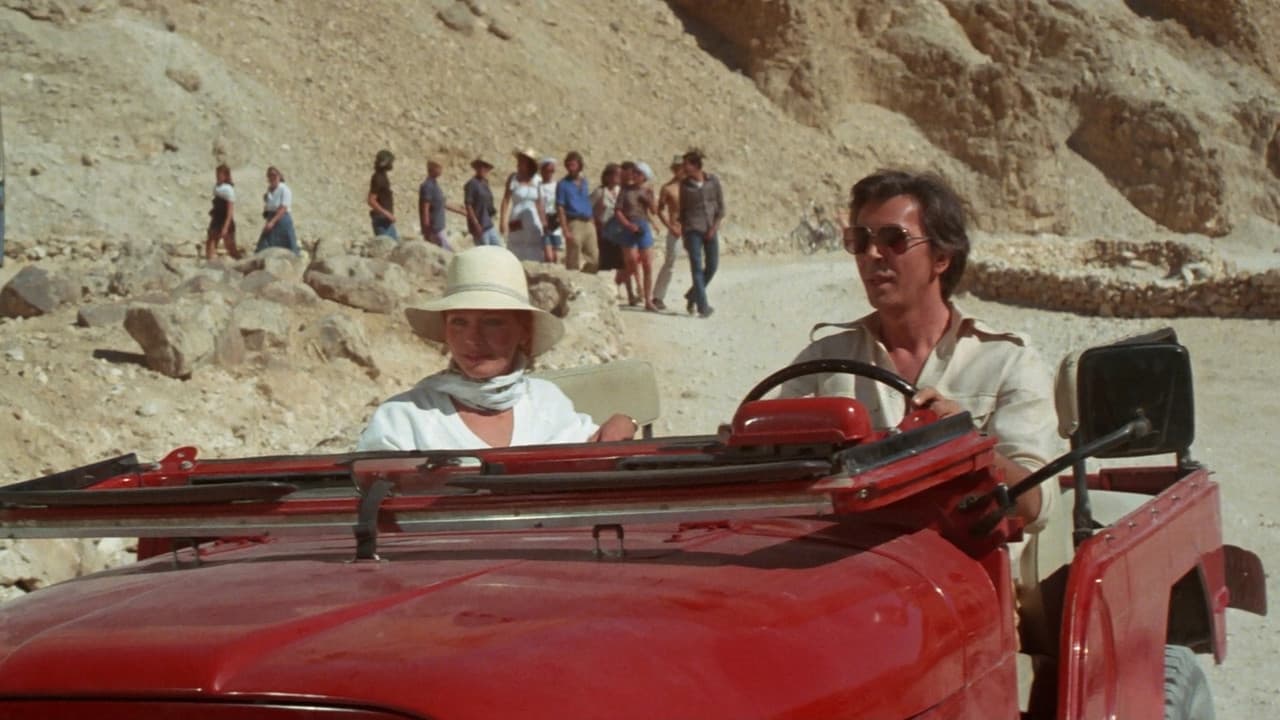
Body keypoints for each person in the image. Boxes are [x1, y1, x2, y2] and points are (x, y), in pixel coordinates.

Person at [779, 168, 1061, 537]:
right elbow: (770, 470)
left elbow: (1037, 506)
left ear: (941, 257)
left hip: (966, 564)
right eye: (860, 240)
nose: (872, 254)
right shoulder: (823, 363)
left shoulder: (1007, 361)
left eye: (893, 239)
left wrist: (968, 446)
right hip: (845, 561)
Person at [357, 245, 638, 450]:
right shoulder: (404, 419)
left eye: (492, 322)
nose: (472, 338)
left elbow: (595, 447)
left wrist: (624, 421)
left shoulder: (547, 403)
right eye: (459, 322)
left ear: (523, 332)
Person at [676, 150, 724, 318]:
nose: (683, 168)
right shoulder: (684, 186)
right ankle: (703, 307)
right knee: (696, 267)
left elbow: (721, 208)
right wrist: (684, 235)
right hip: (693, 230)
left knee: (712, 266)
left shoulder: (713, 181)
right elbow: (682, 212)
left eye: (686, 165)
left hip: (711, 228)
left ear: (696, 165)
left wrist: (714, 228)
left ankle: (693, 295)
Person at [609, 161, 658, 311]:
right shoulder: (625, 190)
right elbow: (618, 210)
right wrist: (628, 225)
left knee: (647, 264)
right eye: (634, 172)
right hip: (628, 227)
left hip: (643, 226)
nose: (634, 175)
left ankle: (648, 300)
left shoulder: (647, 191)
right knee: (630, 263)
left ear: (644, 177)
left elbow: (654, 211)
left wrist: (650, 198)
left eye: (638, 173)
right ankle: (617, 284)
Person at [592, 162, 636, 305]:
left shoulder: (621, 191)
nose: (619, 177)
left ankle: (630, 294)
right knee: (602, 263)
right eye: (616, 174)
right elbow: (589, 209)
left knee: (624, 264)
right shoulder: (600, 192)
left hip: (619, 232)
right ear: (608, 177)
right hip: (603, 232)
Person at [651, 155, 685, 310]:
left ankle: (696, 298)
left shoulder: (691, 186)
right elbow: (660, 210)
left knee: (697, 263)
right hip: (676, 229)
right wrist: (670, 227)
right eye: (677, 168)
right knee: (670, 263)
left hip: (692, 229)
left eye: (682, 167)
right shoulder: (668, 188)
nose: (680, 170)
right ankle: (658, 296)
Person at [500, 148, 547, 262]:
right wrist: (502, 221)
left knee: (533, 243)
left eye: (523, 161)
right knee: (516, 242)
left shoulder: (538, 180)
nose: (519, 163)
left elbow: (540, 203)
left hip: (533, 217)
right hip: (516, 217)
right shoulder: (513, 178)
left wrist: (544, 223)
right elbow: (506, 200)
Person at [556, 151, 598, 273]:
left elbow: (586, 201)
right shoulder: (563, 184)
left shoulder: (584, 182)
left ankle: (586, 277)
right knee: (573, 256)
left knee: (595, 258)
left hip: (588, 221)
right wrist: (565, 229)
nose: (571, 168)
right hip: (574, 222)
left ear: (579, 165)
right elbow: (560, 207)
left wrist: (592, 221)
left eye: (573, 165)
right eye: (568, 165)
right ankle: (572, 280)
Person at [419, 158, 464, 251]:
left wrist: (461, 211)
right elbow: (425, 208)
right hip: (434, 228)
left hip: (439, 227)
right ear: (433, 169)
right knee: (446, 251)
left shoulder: (435, 185)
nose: (441, 171)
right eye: (439, 168)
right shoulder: (427, 186)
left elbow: (443, 203)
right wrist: (427, 229)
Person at [257, 166, 298, 254]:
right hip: (271, 217)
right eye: (269, 176)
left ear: (279, 176)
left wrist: (272, 222)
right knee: (264, 246)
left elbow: (283, 208)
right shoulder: (270, 189)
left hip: (281, 219)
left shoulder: (284, 189)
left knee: (287, 248)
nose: (272, 178)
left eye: (274, 175)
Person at [204, 164, 240, 261]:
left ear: (225, 176)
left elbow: (230, 210)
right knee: (211, 240)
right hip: (216, 218)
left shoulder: (228, 189)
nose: (218, 176)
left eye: (220, 174)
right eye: (217, 174)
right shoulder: (216, 187)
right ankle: (210, 260)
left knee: (230, 246)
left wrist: (225, 226)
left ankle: (239, 260)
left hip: (224, 219)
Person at [463, 157, 501, 247]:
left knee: (498, 248)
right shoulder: (471, 184)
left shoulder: (485, 183)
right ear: (476, 168)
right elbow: (468, 205)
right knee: (484, 251)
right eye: (481, 167)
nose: (483, 170)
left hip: (489, 224)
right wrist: (476, 224)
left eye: (485, 167)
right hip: (479, 226)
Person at [367, 149, 398, 240]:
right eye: (390, 162)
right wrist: (387, 214)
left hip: (386, 221)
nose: (391, 165)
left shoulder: (382, 176)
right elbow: (371, 200)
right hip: (381, 221)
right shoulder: (378, 178)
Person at [537, 157, 562, 263]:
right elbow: (541, 204)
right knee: (549, 255)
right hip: (546, 220)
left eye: (552, 171)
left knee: (556, 254)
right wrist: (544, 222)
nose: (550, 173)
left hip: (556, 220)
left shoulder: (557, 185)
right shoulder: (540, 186)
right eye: (548, 170)